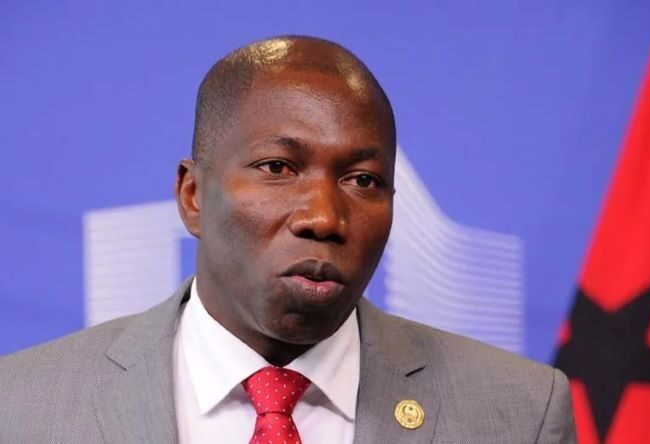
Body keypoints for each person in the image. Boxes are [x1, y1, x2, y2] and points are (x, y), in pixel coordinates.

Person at [0, 36, 576, 443]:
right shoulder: (21, 407)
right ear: (193, 195)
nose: (324, 217)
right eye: (278, 168)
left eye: (363, 180)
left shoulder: (519, 412)